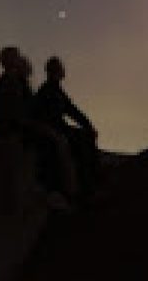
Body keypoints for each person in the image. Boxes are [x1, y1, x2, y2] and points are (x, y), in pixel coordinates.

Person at [0, 46, 76, 207]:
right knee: (49, 142)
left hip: (18, 124)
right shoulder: (10, 81)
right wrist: (38, 126)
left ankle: (56, 189)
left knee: (52, 139)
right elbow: (16, 114)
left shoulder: (16, 81)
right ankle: (51, 190)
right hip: (14, 126)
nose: (21, 59)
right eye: (17, 57)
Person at [32, 56, 99, 203]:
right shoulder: (46, 91)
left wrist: (88, 125)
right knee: (81, 142)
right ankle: (86, 188)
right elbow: (42, 116)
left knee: (86, 137)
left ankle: (92, 183)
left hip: (60, 127)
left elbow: (72, 110)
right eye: (59, 68)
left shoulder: (57, 91)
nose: (62, 70)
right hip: (53, 129)